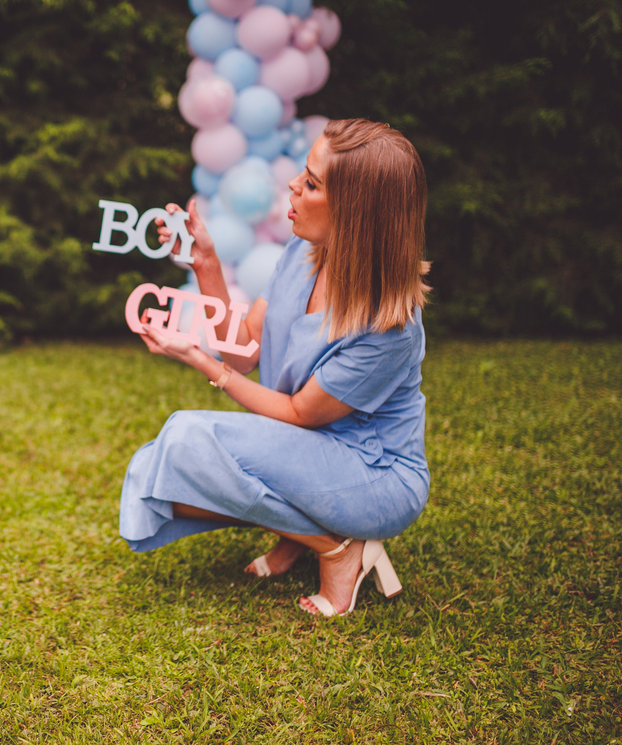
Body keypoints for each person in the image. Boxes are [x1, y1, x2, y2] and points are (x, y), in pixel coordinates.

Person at [119, 118, 430, 617]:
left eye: (310, 183)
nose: (292, 185)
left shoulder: (389, 326)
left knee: (187, 439)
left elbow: (300, 412)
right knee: (162, 467)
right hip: (306, 447)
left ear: (354, 213)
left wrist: (204, 365)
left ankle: (335, 547)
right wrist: (207, 266)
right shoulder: (303, 252)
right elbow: (242, 349)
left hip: (375, 477)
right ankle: (307, 535)